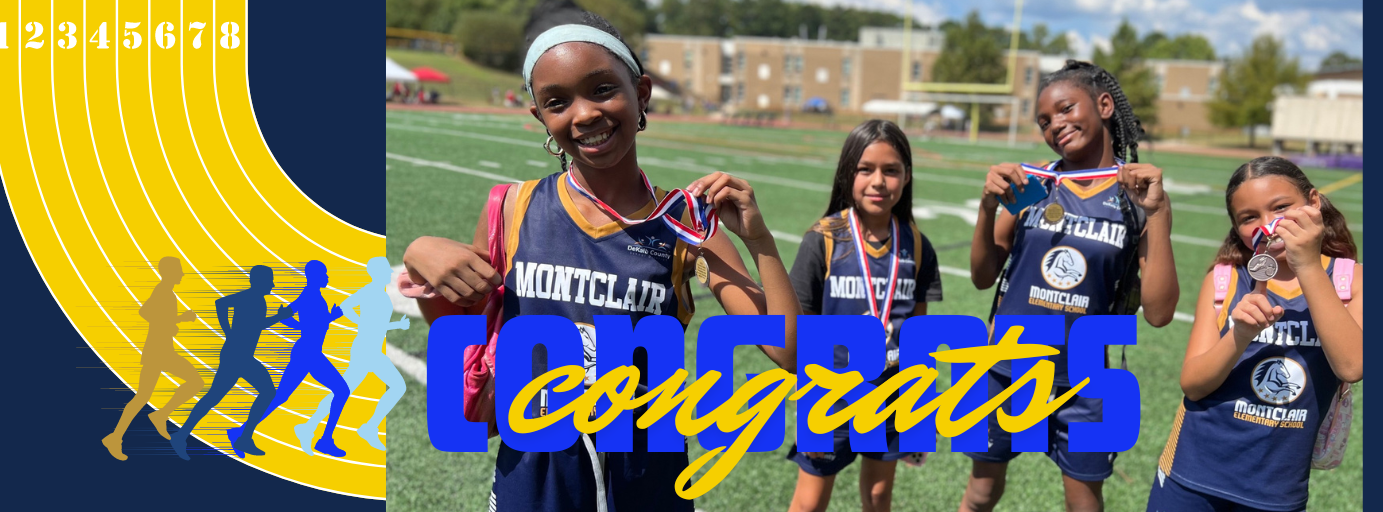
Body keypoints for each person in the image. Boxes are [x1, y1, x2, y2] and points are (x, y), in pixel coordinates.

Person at [400, 12, 800, 511]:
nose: (584, 114)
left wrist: (760, 241)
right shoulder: (512, 207)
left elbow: (789, 352)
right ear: (540, 119)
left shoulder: (687, 227)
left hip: (647, 474)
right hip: (535, 471)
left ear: (643, 93)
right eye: (557, 102)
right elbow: (461, 309)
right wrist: (418, 251)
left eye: (603, 89)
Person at [961, 60, 1180, 512]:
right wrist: (987, 207)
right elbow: (984, 277)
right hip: (1004, 368)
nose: (1055, 125)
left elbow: (1159, 313)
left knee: (1084, 501)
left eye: (1064, 110)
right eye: (1044, 121)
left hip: (1084, 380)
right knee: (981, 493)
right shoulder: (1035, 183)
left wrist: (1155, 215)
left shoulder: (1139, 195)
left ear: (1103, 105)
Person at [1146, 156, 1362, 512]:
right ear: (1236, 227)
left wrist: (1306, 263)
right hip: (1191, 474)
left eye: (1281, 207)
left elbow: (1352, 366)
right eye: (1249, 217)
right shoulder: (1225, 278)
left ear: (1313, 202)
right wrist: (1240, 333)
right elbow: (1193, 384)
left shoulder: (1350, 281)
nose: (1269, 225)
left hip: (1276, 489)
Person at [783, 120, 942, 512]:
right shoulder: (822, 239)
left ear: (906, 178)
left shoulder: (918, 246)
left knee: (877, 497)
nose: (878, 181)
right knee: (810, 501)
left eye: (891, 170)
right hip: (830, 396)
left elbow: (917, 336)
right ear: (847, 173)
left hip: (891, 395)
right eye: (865, 169)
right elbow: (800, 323)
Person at [225, 260, 351, 458]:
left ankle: (239, 432)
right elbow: (293, 319)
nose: (327, 277)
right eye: (324, 274)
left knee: (281, 396)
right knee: (341, 390)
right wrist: (325, 319)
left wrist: (323, 319)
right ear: (315, 276)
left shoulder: (313, 296)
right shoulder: (310, 296)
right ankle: (325, 440)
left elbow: (294, 319)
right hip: (308, 354)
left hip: (308, 353)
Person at [170, 265, 293, 460]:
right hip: (237, 357)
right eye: (270, 281)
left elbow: (226, 306)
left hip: (239, 355)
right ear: (260, 282)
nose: (273, 284)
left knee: (215, 397)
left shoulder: (254, 298)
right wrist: (279, 317)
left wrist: (229, 332)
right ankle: (187, 436)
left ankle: (184, 435)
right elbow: (238, 314)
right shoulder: (253, 299)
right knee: (264, 392)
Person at [294, 256, 410, 454]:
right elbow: (346, 307)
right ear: (376, 273)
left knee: (352, 389)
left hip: (372, 349)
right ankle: (315, 428)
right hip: (365, 350)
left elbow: (377, 325)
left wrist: (396, 325)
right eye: (385, 270)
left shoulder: (380, 295)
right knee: (347, 390)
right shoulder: (369, 292)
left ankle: (315, 427)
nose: (390, 273)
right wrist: (360, 323)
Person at [102, 257, 204, 461]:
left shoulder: (165, 291)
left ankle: (155, 418)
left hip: (162, 351)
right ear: (170, 272)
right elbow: (149, 314)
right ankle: (119, 435)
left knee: (147, 395)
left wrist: (171, 324)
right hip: (158, 352)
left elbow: (147, 313)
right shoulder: (164, 292)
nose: (182, 274)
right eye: (179, 271)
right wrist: (181, 319)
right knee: (187, 384)